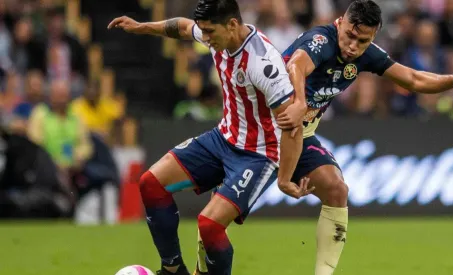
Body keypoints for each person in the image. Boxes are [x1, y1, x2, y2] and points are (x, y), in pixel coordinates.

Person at [193, 1, 453, 275]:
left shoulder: (366, 53)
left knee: (337, 191)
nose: (353, 46)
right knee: (216, 218)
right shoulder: (322, 40)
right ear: (340, 22)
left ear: (374, 36)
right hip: (263, 135)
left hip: (301, 136)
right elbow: (296, 64)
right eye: (350, 36)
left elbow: (414, 79)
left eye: (363, 41)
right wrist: (296, 101)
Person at [107, 0, 314, 274]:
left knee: (209, 225)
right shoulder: (217, 35)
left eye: (209, 32)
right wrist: (143, 27)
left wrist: (285, 178)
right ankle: (172, 270)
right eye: (203, 31)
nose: (204, 38)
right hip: (223, 138)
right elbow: (181, 27)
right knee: (150, 183)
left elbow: (292, 126)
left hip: (258, 155)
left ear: (231, 25)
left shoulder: (263, 63)